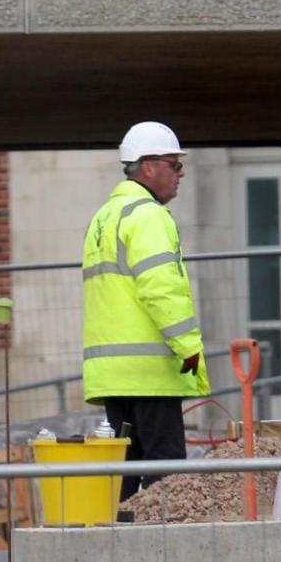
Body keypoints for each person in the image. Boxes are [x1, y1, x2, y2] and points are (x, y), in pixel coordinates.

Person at [82, 122, 209, 509]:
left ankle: (118, 543)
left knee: (125, 468)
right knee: (165, 470)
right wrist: (189, 347)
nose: (181, 173)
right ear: (149, 166)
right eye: (175, 164)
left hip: (113, 374)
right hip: (149, 372)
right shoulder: (149, 216)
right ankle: (166, 551)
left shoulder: (104, 218)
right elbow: (161, 290)